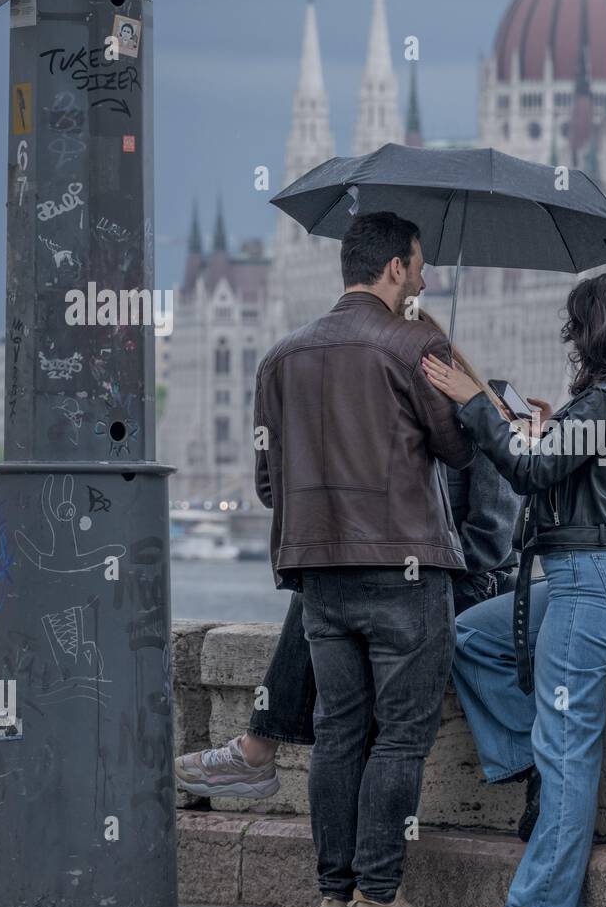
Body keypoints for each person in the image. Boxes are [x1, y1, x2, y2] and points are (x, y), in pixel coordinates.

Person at [174, 311, 519, 816]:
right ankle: (268, 758)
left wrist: (415, 566)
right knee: (325, 584)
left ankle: (259, 747)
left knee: (333, 596)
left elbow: (490, 542)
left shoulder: (483, 413)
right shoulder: (384, 431)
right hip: (404, 584)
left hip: (469, 583)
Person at [421, 269, 606, 907]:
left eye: (576, 326)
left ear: (594, 330)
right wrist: (540, 428)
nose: (570, 337)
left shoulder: (602, 404)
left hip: (590, 582)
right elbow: (571, 471)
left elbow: (531, 474)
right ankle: (523, 756)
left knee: (569, 748)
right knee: (469, 638)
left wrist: (475, 404)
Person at [246, 210, 477, 907]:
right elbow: (460, 448)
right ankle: (379, 900)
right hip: (405, 573)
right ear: (395, 270)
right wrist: (468, 384)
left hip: (319, 576)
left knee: (338, 733)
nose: (425, 276)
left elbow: (266, 482)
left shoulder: (281, 358)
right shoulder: (414, 343)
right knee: (401, 738)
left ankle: (331, 901)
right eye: (419, 264)